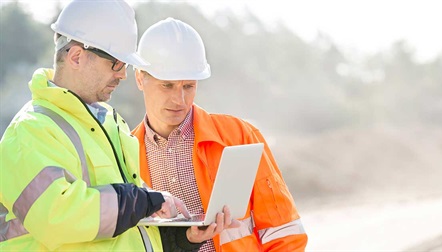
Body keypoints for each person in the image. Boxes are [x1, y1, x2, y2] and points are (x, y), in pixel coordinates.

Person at [0, 1, 202, 251]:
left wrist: (179, 240)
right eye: (116, 63)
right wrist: (141, 201)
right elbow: (56, 216)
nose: (122, 75)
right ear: (76, 56)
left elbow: (124, 225)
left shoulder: (110, 124)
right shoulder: (30, 131)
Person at [132, 17, 308, 251]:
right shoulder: (125, 152)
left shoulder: (238, 137)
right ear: (139, 79)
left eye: (188, 86)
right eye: (167, 85)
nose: (179, 100)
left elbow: (284, 232)